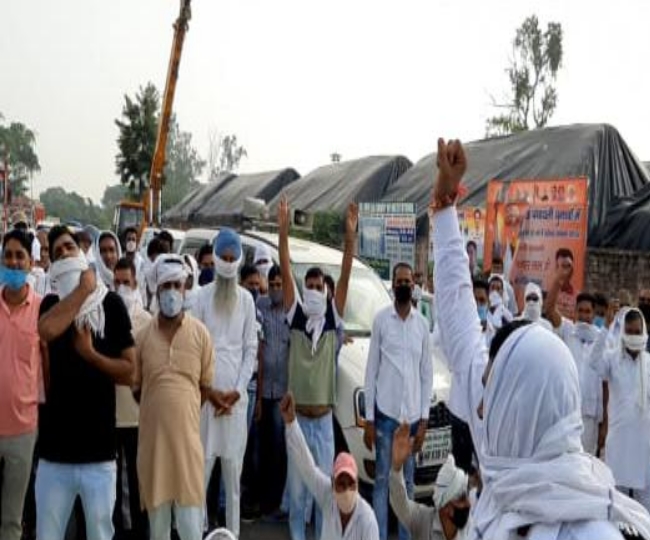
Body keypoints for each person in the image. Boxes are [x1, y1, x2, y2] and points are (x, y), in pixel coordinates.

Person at [431, 137, 650, 540]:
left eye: (490, 389)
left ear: (522, 404)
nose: (480, 407)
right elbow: (460, 317)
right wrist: (445, 204)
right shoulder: (507, 449)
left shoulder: (589, 531)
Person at [37, 225, 135, 540]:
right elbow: (47, 331)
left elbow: (129, 372)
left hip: (99, 456)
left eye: (69, 247)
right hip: (55, 455)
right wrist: (82, 291)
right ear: (52, 265)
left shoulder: (112, 305)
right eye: (57, 253)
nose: (65, 254)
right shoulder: (51, 305)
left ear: (81, 252)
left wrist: (90, 355)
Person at [278, 196, 357, 540]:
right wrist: (283, 231)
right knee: (297, 494)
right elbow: (284, 266)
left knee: (324, 495)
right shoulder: (295, 316)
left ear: (325, 292)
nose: (313, 291)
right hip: (297, 422)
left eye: (318, 287)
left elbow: (345, 276)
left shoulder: (331, 320)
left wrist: (350, 238)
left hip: (324, 423)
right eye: (308, 287)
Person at [133, 254, 215, 540]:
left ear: (185, 288)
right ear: (156, 289)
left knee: (192, 529)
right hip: (154, 451)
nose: (171, 292)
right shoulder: (142, 337)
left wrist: (182, 408)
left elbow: (203, 388)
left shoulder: (201, 335)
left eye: (176, 286)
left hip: (188, 451)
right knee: (158, 532)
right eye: (166, 286)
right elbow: (137, 389)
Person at [193, 228, 258, 538]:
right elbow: (195, 349)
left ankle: (231, 534)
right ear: (215, 259)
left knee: (233, 478)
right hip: (206, 401)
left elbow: (250, 349)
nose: (229, 264)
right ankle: (199, 532)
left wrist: (236, 391)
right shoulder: (199, 297)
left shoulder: (246, 300)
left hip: (235, 402)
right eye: (224, 258)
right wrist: (212, 393)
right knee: (200, 474)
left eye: (234, 258)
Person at [364, 261, 433, 540]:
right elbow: (371, 372)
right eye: (399, 281)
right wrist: (369, 419)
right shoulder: (381, 320)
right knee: (381, 482)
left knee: (407, 484)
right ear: (392, 286)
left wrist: (425, 421)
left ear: (413, 286)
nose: (404, 285)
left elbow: (426, 376)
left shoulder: (423, 325)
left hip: (412, 420)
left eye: (408, 281)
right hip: (385, 417)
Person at [280, 393, 380, 540]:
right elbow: (307, 466)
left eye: (350, 484)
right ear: (333, 484)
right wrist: (291, 424)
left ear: (357, 485)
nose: (346, 490)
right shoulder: (328, 495)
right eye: (341, 484)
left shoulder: (367, 520)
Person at [0, 230, 42, 540]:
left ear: (31, 262)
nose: (13, 262)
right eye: (8, 255)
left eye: (20, 256)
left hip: (23, 429)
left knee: (12, 519)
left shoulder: (42, 310)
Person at [590, 308, 650, 512]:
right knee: (616, 504)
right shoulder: (612, 359)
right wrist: (606, 329)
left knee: (646, 507)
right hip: (620, 443)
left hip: (645, 445)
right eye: (630, 331)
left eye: (637, 331)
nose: (634, 336)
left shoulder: (649, 363)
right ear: (623, 331)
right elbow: (593, 362)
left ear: (644, 332)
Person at [546, 272, 606, 456]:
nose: (584, 315)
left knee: (586, 462)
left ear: (594, 314)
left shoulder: (602, 338)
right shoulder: (568, 330)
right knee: (566, 458)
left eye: (588, 311)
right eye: (580, 310)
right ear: (574, 312)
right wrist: (558, 280)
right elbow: (549, 309)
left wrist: (605, 424)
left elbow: (605, 383)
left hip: (590, 414)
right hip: (567, 410)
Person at [113, 257, 152, 540]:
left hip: (138, 415)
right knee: (111, 482)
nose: (122, 287)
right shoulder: (103, 315)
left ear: (136, 283)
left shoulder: (146, 321)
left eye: (126, 282)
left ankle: (140, 532)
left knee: (138, 481)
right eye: (117, 283)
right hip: (110, 414)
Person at [390, 425, 470, 540]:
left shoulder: (473, 528)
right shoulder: (424, 521)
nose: (468, 504)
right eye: (462, 499)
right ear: (446, 506)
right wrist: (396, 467)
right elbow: (400, 504)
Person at [255, 264, 291, 515]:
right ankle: (260, 496)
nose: (277, 289)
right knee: (260, 447)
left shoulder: (291, 312)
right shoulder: (260, 308)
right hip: (262, 391)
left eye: (281, 285)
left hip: (281, 393)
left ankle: (275, 500)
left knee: (279, 447)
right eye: (274, 285)